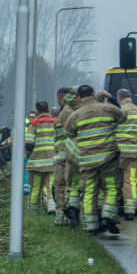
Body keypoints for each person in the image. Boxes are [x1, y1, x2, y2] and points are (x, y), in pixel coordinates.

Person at [64, 85, 127, 235]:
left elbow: (68, 133)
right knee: (111, 189)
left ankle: (91, 227)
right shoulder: (107, 108)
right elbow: (123, 117)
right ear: (93, 94)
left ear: (79, 97)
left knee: (89, 193)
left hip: (87, 163)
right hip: (109, 160)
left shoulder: (75, 115)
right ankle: (106, 217)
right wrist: (111, 98)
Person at [114, 89, 137, 220]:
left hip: (118, 152)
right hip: (133, 152)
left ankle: (111, 210)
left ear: (119, 97)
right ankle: (130, 211)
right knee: (130, 180)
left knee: (114, 180)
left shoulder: (118, 109)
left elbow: (112, 128)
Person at [53, 87, 81, 226]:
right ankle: (64, 218)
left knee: (61, 185)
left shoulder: (66, 112)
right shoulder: (66, 110)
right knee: (65, 185)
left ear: (59, 97)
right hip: (65, 154)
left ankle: (64, 218)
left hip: (66, 155)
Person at [25, 102, 57, 214]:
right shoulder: (56, 123)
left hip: (37, 163)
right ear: (48, 111)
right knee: (51, 186)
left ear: (37, 112)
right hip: (53, 162)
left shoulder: (33, 124)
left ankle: (33, 212)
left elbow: (29, 144)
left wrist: (28, 156)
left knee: (36, 188)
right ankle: (52, 208)